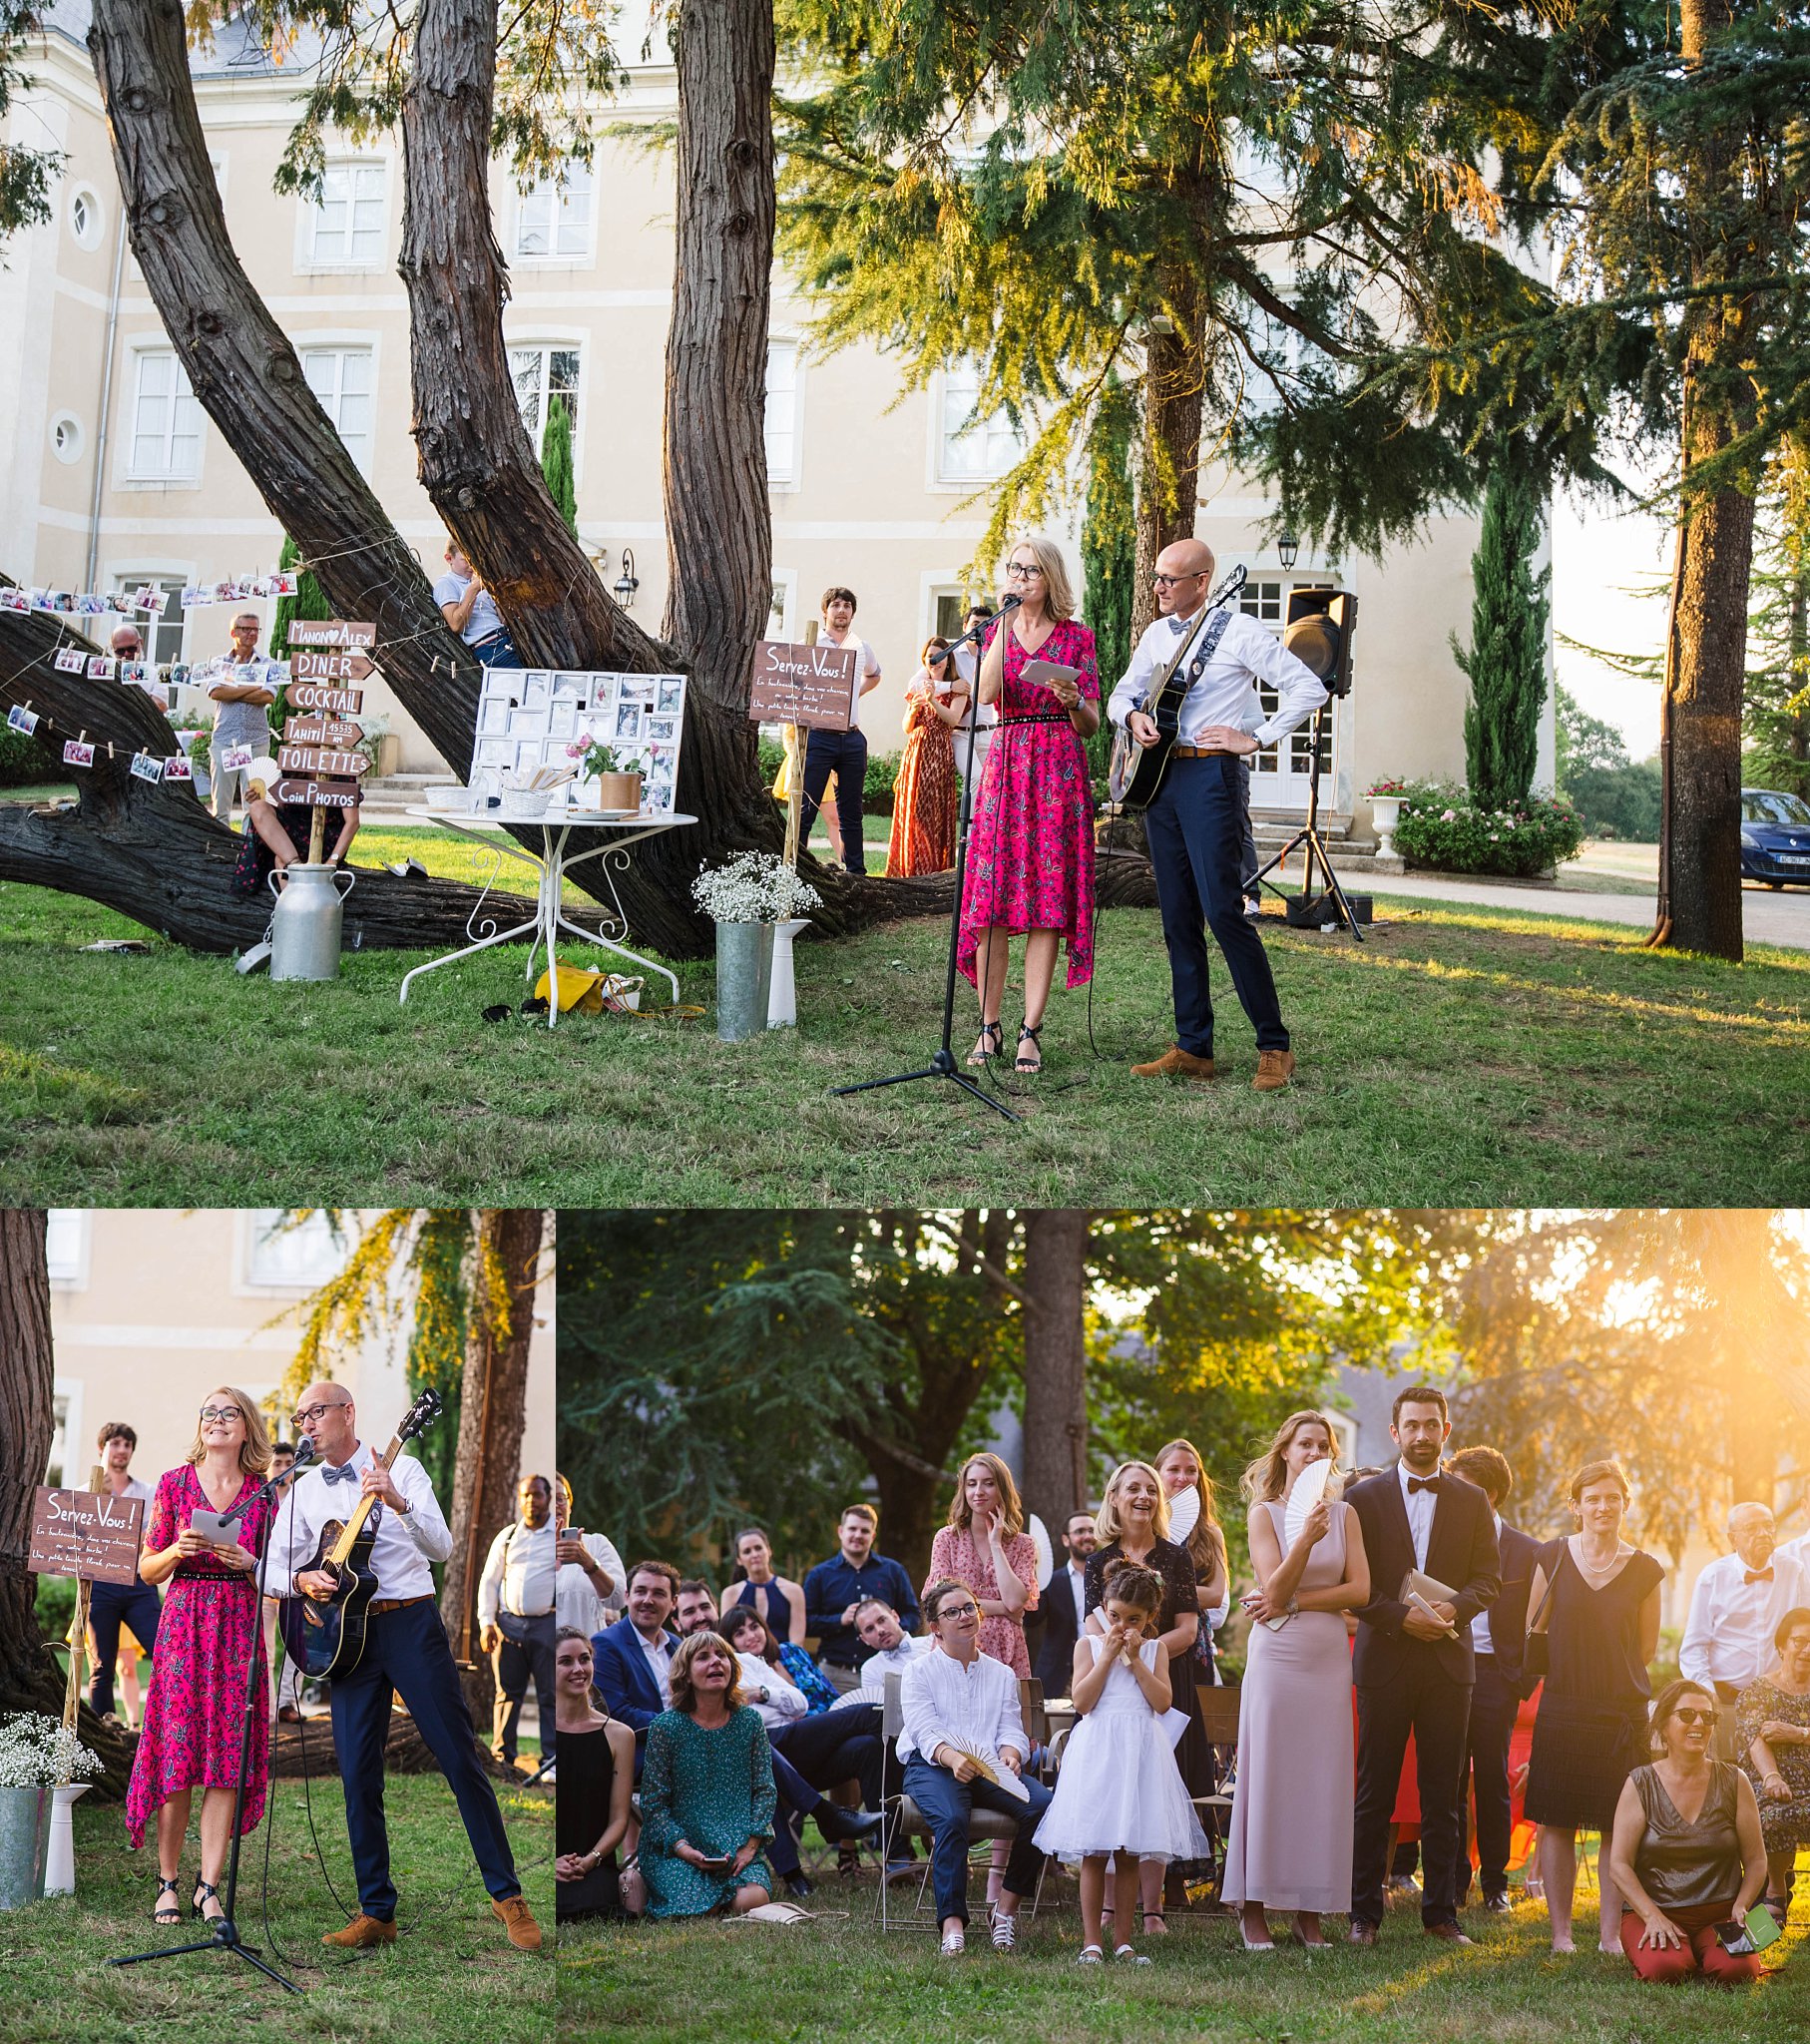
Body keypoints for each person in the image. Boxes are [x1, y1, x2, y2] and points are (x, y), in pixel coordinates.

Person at [269, 1380, 542, 1950]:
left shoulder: (407, 1468)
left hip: (409, 1625)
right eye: (300, 1419)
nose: (308, 1426)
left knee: (459, 1756)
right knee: (357, 1774)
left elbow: (441, 1548)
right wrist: (301, 1579)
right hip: (346, 1639)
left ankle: (508, 1896)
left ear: (348, 1411)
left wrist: (398, 1501)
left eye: (315, 1414)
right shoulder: (302, 1489)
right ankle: (377, 1911)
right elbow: (268, 1568)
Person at [1107, 537, 1329, 1090]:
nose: (1157, 588)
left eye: (1169, 580)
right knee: (1177, 915)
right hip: (1160, 778)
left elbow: (1308, 688)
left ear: (1202, 582)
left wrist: (1254, 738)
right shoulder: (1158, 633)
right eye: (1156, 578)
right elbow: (1119, 695)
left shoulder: (1240, 631)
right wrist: (1132, 717)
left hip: (1212, 776)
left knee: (1224, 912)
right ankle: (1193, 1046)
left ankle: (1274, 1045)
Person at [1345, 1385, 1502, 1947]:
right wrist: (1398, 1618)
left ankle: (1441, 1914)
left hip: (1446, 1665)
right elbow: (1353, 1586)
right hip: (1384, 1659)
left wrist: (1452, 1609)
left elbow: (1489, 1578)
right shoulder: (1362, 1500)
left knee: (1444, 1794)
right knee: (1373, 1794)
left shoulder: (1471, 1500)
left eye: (1430, 1425)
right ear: (1394, 1432)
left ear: (1446, 1431)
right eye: (1410, 1425)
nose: (1420, 1435)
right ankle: (1363, 1913)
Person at [125, 1387, 275, 1928]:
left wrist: (246, 1559)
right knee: (179, 1755)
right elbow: (146, 1570)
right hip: (185, 1624)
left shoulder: (263, 1494)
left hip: (237, 1626)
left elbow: (276, 1574)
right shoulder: (172, 1484)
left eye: (227, 1412)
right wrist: (176, 1551)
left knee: (224, 1761)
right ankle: (167, 1882)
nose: (216, 1420)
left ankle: (207, 1885)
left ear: (246, 1428)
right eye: (209, 1412)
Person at [1221, 1411, 1370, 1948]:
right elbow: (1271, 1588)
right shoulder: (1265, 1513)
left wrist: (1302, 1600)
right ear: (1285, 1451)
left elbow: (1360, 1591)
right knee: (1271, 1776)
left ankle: (1311, 1912)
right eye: (1304, 1444)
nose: (1313, 1453)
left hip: (1327, 1657)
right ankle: (1252, 1907)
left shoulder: (1346, 1514)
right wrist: (1305, 1540)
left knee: (1321, 1781)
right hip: (1277, 1660)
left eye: (1322, 1446)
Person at [958, 536, 1100, 1075]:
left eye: (1030, 571)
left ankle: (1030, 1031)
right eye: (1014, 569)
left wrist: (1074, 701)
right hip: (1008, 766)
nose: (1019, 578)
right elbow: (990, 693)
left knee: (1046, 903)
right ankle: (988, 1025)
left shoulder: (1077, 638)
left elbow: (1088, 726)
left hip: (1058, 771)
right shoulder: (997, 631)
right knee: (992, 898)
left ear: (1051, 579)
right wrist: (999, 627)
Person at [1035, 1558, 1209, 1965]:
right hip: (1099, 1753)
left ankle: (1124, 1940)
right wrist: (1107, 1658)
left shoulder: (1155, 1649)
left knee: (1130, 1852)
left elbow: (1163, 1702)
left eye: (1133, 1619)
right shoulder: (1088, 1645)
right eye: (1115, 1616)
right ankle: (1092, 1940)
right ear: (1105, 1609)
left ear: (1150, 1618)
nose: (1122, 1626)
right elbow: (1082, 1701)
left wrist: (1133, 1661)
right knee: (1096, 1852)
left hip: (1140, 1754)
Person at [1523, 1457, 1665, 1954]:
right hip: (1563, 1706)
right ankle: (1561, 1934)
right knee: (1555, 1820)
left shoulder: (1646, 1569)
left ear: (1625, 1504)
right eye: (1593, 1498)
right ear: (1575, 1506)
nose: (1603, 1506)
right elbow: (1536, 1629)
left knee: (1615, 1825)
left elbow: (1645, 1649)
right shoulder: (1551, 1557)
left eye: (1612, 1498)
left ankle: (1608, 1935)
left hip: (1621, 1713)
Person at [670, 1580, 883, 1891]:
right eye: (689, 1611)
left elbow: (800, 1702)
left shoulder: (746, 1661)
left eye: (704, 1607)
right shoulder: (682, 1664)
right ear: (677, 1621)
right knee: (858, 1716)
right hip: (739, 1753)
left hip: (787, 1747)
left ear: (716, 1609)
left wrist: (762, 1693)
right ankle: (822, 1825)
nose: (700, 1615)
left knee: (866, 1737)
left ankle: (897, 1847)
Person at [899, 1577, 1056, 1955]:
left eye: (969, 1607)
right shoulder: (919, 1671)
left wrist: (1011, 1755)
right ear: (936, 1627)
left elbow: (1010, 1729)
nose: (964, 1616)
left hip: (989, 1767)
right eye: (952, 1612)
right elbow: (923, 1728)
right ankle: (952, 1923)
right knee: (952, 1818)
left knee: (1043, 1807)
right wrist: (953, 1758)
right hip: (934, 1764)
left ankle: (1004, 1912)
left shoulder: (1001, 1673)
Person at [1083, 1459, 1203, 1937]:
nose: (1143, 1497)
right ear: (1114, 1497)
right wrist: (1113, 1652)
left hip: (1160, 1676)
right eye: (1132, 1489)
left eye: (1150, 1490)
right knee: (1113, 1796)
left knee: (1150, 1798)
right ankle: (1109, 1911)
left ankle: (1151, 1910)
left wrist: (1146, 1650)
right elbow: (1092, 1622)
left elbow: (1189, 1629)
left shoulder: (1177, 1558)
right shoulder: (1098, 1560)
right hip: (1107, 1676)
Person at [1607, 1679, 1768, 1985]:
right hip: (1655, 1911)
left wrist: (1742, 1905)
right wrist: (1652, 1915)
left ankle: (1701, 1951)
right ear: (1664, 1725)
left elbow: (1757, 1860)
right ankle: (1683, 1952)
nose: (1699, 1723)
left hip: (1721, 1914)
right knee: (1664, 1970)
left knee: (1738, 1972)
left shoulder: (1736, 1780)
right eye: (1686, 1715)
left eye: (1708, 1717)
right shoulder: (1640, 1782)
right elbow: (1619, 1864)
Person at [1447, 1443, 1541, 1913]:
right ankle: (1451, 1880)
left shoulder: (1528, 1552)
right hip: (1445, 1669)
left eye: (1471, 1491)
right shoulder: (1439, 1544)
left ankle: (1495, 1882)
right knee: (1446, 1779)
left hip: (1495, 1676)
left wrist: (1518, 1680)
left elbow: (1541, 1623)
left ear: (1493, 1496)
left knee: (1491, 1778)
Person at [638, 1631, 777, 1918]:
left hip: (737, 1852)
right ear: (686, 1674)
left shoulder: (750, 1722)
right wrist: (683, 1848)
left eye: (721, 1656)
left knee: (752, 1900)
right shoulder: (665, 1728)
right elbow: (654, 1804)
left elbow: (765, 1790)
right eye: (703, 1657)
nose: (716, 1662)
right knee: (702, 1906)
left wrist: (750, 1848)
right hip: (677, 1852)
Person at [721, 1604, 885, 1813]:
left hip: (820, 1735)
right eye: (740, 1633)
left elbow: (800, 1702)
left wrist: (763, 1694)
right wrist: (783, 1705)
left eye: (754, 1627)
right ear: (729, 1642)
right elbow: (756, 1716)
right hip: (779, 1751)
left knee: (869, 1746)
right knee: (869, 1713)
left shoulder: (786, 1654)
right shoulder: (735, 1670)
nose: (751, 1635)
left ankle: (891, 1842)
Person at [1680, 1505, 1808, 1742]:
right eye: (1751, 1528)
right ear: (1732, 1538)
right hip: (1726, 1700)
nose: (1763, 1534)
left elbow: (1803, 1636)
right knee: (1726, 1771)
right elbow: (1694, 1647)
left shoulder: (1793, 1571)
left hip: (1780, 1699)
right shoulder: (1713, 1577)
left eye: (1768, 1526)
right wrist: (1708, 1695)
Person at [552, 1629, 643, 1922]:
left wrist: (590, 1861)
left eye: (585, 1659)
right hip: (548, 1863)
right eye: (565, 1661)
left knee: (595, 1903)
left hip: (593, 1863)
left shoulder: (620, 1735)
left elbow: (619, 1817)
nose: (578, 1669)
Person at [925, 1453, 1040, 1680]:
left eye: (988, 1483)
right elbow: (943, 1604)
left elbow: (1016, 1601)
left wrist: (996, 1544)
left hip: (1007, 1649)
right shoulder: (947, 1538)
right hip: (956, 1647)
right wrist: (1004, 1609)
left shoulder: (1023, 1544)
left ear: (1002, 1489)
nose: (978, 1491)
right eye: (971, 1484)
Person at [798, 585, 882, 873]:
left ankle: (857, 874)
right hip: (819, 737)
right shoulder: (810, 643)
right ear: (825, 611)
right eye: (835, 605)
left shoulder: (861, 646)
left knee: (851, 812)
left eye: (847, 605)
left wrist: (851, 696)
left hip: (852, 738)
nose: (842, 610)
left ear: (852, 613)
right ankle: (797, 868)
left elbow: (875, 675)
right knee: (805, 809)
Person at [478, 1472, 558, 1771]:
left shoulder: (558, 1536)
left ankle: (551, 1759)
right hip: (508, 1625)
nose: (530, 1500)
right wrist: (486, 1622)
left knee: (550, 1693)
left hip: (546, 1625)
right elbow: (489, 1581)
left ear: (547, 1498)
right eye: (525, 1495)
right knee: (507, 1693)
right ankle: (503, 1757)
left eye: (536, 1494)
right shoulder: (509, 1536)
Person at [1735, 1606, 1810, 1919]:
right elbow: (1754, 1738)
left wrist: (1800, 1733)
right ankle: (1776, 1890)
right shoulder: (1759, 1690)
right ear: (1782, 1646)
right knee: (1770, 1812)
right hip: (1773, 1786)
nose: (1807, 1650)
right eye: (1799, 1641)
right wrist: (1772, 1777)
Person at [86, 1421, 160, 1726]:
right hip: (99, 1585)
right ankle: (105, 1724)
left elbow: (154, 1536)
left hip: (138, 1583)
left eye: (127, 1445)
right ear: (102, 1448)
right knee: (101, 1664)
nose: (122, 1450)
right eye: (116, 1444)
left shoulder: (147, 1492)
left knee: (164, 1650)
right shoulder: (84, 1491)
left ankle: (166, 1720)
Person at [802, 1505, 921, 1692]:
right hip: (837, 1674)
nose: (858, 1535)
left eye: (864, 1530)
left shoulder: (893, 1571)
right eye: (852, 1529)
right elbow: (805, 1623)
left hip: (888, 1669)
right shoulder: (819, 1575)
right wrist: (839, 1620)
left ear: (873, 1536)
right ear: (841, 1531)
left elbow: (913, 1615)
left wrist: (887, 1628)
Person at [885, 637, 966, 876]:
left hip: (939, 752)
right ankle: (910, 867)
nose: (935, 661)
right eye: (930, 657)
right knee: (914, 810)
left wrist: (933, 701)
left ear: (948, 658)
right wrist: (913, 711)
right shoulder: (919, 685)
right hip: (916, 751)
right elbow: (907, 727)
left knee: (933, 812)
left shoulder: (958, 687)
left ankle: (932, 869)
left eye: (940, 656)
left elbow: (952, 719)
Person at [593, 1560, 682, 1767]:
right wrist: (680, 1727)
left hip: (688, 1743)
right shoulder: (606, 1645)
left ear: (673, 1602)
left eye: (659, 1593)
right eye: (640, 1591)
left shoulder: (678, 1646)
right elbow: (615, 1713)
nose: (647, 1600)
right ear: (627, 1596)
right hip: (641, 1752)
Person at [1155, 1437, 1229, 1683]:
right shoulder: (1145, 1530)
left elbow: (1216, 1596)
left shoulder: (1210, 1533)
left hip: (1196, 1643)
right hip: (1150, 1637)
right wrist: (1192, 1595)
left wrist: (1157, 1588)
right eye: (1173, 1470)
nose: (1182, 1477)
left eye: (1191, 1471)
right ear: (1157, 1475)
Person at [232, 767, 361, 896]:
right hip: (294, 836)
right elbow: (281, 807)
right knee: (258, 807)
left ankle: (298, 905)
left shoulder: (341, 766)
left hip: (327, 837)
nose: (298, 745)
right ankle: (296, 868)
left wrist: (333, 860)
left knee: (280, 861)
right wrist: (258, 796)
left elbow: (353, 822)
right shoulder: (292, 761)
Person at [207, 612, 278, 822]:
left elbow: (267, 696)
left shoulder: (267, 663)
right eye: (246, 629)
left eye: (255, 629)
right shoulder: (219, 663)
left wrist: (233, 688)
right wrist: (251, 687)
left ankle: (250, 850)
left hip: (256, 741)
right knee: (220, 805)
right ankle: (222, 851)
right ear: (233, 632)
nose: (251, 633)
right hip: (224, 740)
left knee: (255, 804)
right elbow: (216, 693)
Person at [261, 1439, 304, 1724]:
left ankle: (289, 1704)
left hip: (296, 1582)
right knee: (265, 1649)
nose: (284, 1469)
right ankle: (267, 1707)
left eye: (289, 1464)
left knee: (297, 1647)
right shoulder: (259, 1498)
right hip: (264, 1582)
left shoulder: (303, 1495)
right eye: (278, 1463)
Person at [1032, 1509, 1098, 1697]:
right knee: (1061, 1728)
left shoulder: (1110, 1579)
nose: (1087, 1536)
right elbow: (1032, 1619)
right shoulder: (1050, 1582)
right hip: (1062, 1678)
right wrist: (1032, 1576)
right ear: (1066, 1540)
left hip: (1102, 1671)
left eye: (1092, 1531)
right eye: (1079, 1531)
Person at [553, 1473, 623, 1639]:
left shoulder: (596, 1544)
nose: (554, 1505)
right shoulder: (527, 1548)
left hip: (585, 1657)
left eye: (560, 1498)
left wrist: (588, 1563)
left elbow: (618, 1600)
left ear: (570, 1505)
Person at [435, 541, 522, 668]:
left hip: (507, 637)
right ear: (449, 558)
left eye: (473, 560)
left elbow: (503, 618)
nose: (471, 566)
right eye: (465, 561)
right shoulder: (446, 583)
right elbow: (456, 624)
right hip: (489, 646)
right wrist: (473, 589)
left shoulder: (478, 579)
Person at [720, 1525, 806, 1646]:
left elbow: (797, 1643)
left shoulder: (793, 1591)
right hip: (745, 1663)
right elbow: (727, 1641)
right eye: (747, 1551)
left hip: (786, 1661)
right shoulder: (730, 1595)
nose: (754, 1554)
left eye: (758, 1548)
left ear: (769, 1550)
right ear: (739, 1560)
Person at [951, 600, 999, 802]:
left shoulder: (996, 656)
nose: (980, 629)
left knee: (994, 783)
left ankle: (984, 831)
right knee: (975, 778)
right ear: (965, 626)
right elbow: (915, 684)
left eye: (986, 625)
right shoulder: (952, 654)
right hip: (962, 734)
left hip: (990, 732)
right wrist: (950, 686)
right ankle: (969, 832)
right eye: (975, 623)